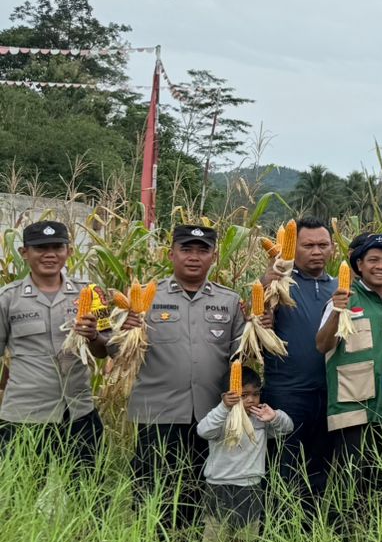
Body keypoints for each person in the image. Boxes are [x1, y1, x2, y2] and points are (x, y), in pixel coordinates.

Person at [123, 225, 247, 522]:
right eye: (186, 250)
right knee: (152, 493)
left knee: (195, 492)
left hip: (209, 414)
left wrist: (261, 323)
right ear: (171, 254)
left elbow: (242, 355)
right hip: (158, 413)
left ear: (214, 256)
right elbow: (119, 353)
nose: (194, 257)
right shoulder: (144, 297)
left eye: (202, 250)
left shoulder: (229, 301)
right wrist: (123, 332)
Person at [315, 233, 382, 526]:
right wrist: (338, 311)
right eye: (373, 260)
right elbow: (322, 345)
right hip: (352, 408)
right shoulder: (343, 298)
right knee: (347, 483)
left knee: (380, 483)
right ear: (359, 264)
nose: (381, 266)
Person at [0, 220, 109, 466]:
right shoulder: (7, 299)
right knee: (22, 495)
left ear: (69, 252)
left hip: (79, 413)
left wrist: (93, 336)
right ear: (24, 253)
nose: (50, 254)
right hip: (25, 416)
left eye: (57, 247)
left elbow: (104, 350)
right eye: (41, 248)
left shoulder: (90, 293)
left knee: (88, 493)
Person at [258, 217, 337, 516]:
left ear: (332, 248)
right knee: (283, 468)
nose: (316, 251)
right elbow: (259, 310)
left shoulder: (339, 288)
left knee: (323, 469)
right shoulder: (278, 284)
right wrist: (271, 278)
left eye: (323, 245)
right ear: (295, 248)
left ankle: (314, 534)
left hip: (331, 394)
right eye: (308, 245)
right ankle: (279, 538)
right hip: (286, 393)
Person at [195, 366, 293, 542]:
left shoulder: (260, 420)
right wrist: (224, 407)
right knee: (213, 540)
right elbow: (203, 430)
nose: (250, 400)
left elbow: (286, 427)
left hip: (250, 487)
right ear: (228, 396)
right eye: (243, 395)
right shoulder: (221, 419)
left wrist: (274, 417)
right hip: (219, 487)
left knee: (245, 540)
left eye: (255, 394)